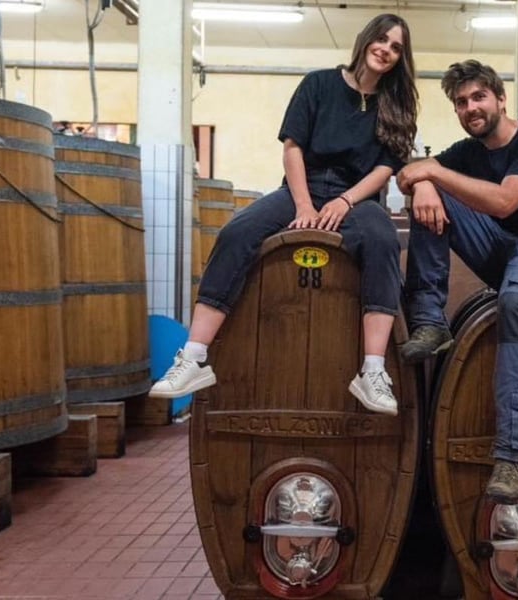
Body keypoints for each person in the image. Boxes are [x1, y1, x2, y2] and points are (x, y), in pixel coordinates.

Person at [149, 13, 419, 417]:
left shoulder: (395, 105)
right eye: (382, 39)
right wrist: (305, 204)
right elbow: (293, 147)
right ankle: (194, 357)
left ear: (400, 58)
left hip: (357, 197)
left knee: (382, 239)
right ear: (366, 40)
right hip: (300, 187)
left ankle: (373, 371)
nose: (386, 50)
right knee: (238, 231)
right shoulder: (319, 84)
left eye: (396, 47)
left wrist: (345, 201)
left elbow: (385, 169)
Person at [396, 60, 518, 503]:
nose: (471, 108)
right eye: (461, 102)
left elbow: (505, 202)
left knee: (517, 300)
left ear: (501, 99)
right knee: (432, 194)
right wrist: (425, 183)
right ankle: (430, 322)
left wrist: (432, 174)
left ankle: (511, 455)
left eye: (479, 97)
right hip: (508, 251)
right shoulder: (469, 152)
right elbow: (409, 171)